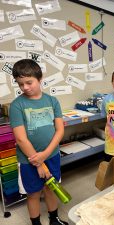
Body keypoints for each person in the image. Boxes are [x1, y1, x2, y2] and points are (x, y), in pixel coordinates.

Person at [9, 59, 67, 225]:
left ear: (40, 79)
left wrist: (46, 155)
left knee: (51, 188)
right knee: (33, 193)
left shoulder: (52, 101)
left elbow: (60, 130)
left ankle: (54, 219)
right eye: (20, 84)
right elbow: (20, 138)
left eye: (29, 82)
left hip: (52, 155)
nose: (25, 87)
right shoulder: (17, 105)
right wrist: (39, 162)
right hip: (29, 160)